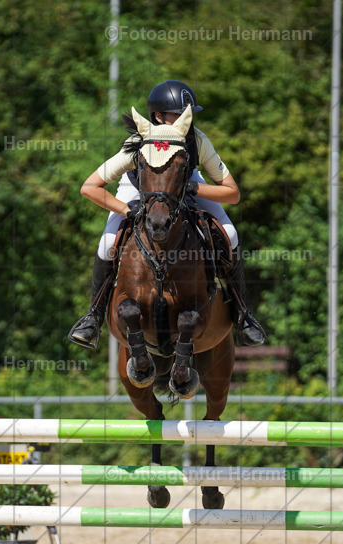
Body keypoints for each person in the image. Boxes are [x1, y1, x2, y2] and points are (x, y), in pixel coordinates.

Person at [67, 79, 266, 349]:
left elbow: (232, 193)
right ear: (158, 117)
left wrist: (194, 186)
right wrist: (126, 208)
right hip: (137, 188)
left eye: (190, 113)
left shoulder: (196, 140)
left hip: (184, 184)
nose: (187, 119)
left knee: (229, 234)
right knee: (106, 244)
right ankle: (93, 317)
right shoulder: (137, 143)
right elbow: (89, 187)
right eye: (179, 114)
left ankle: (243, 315)